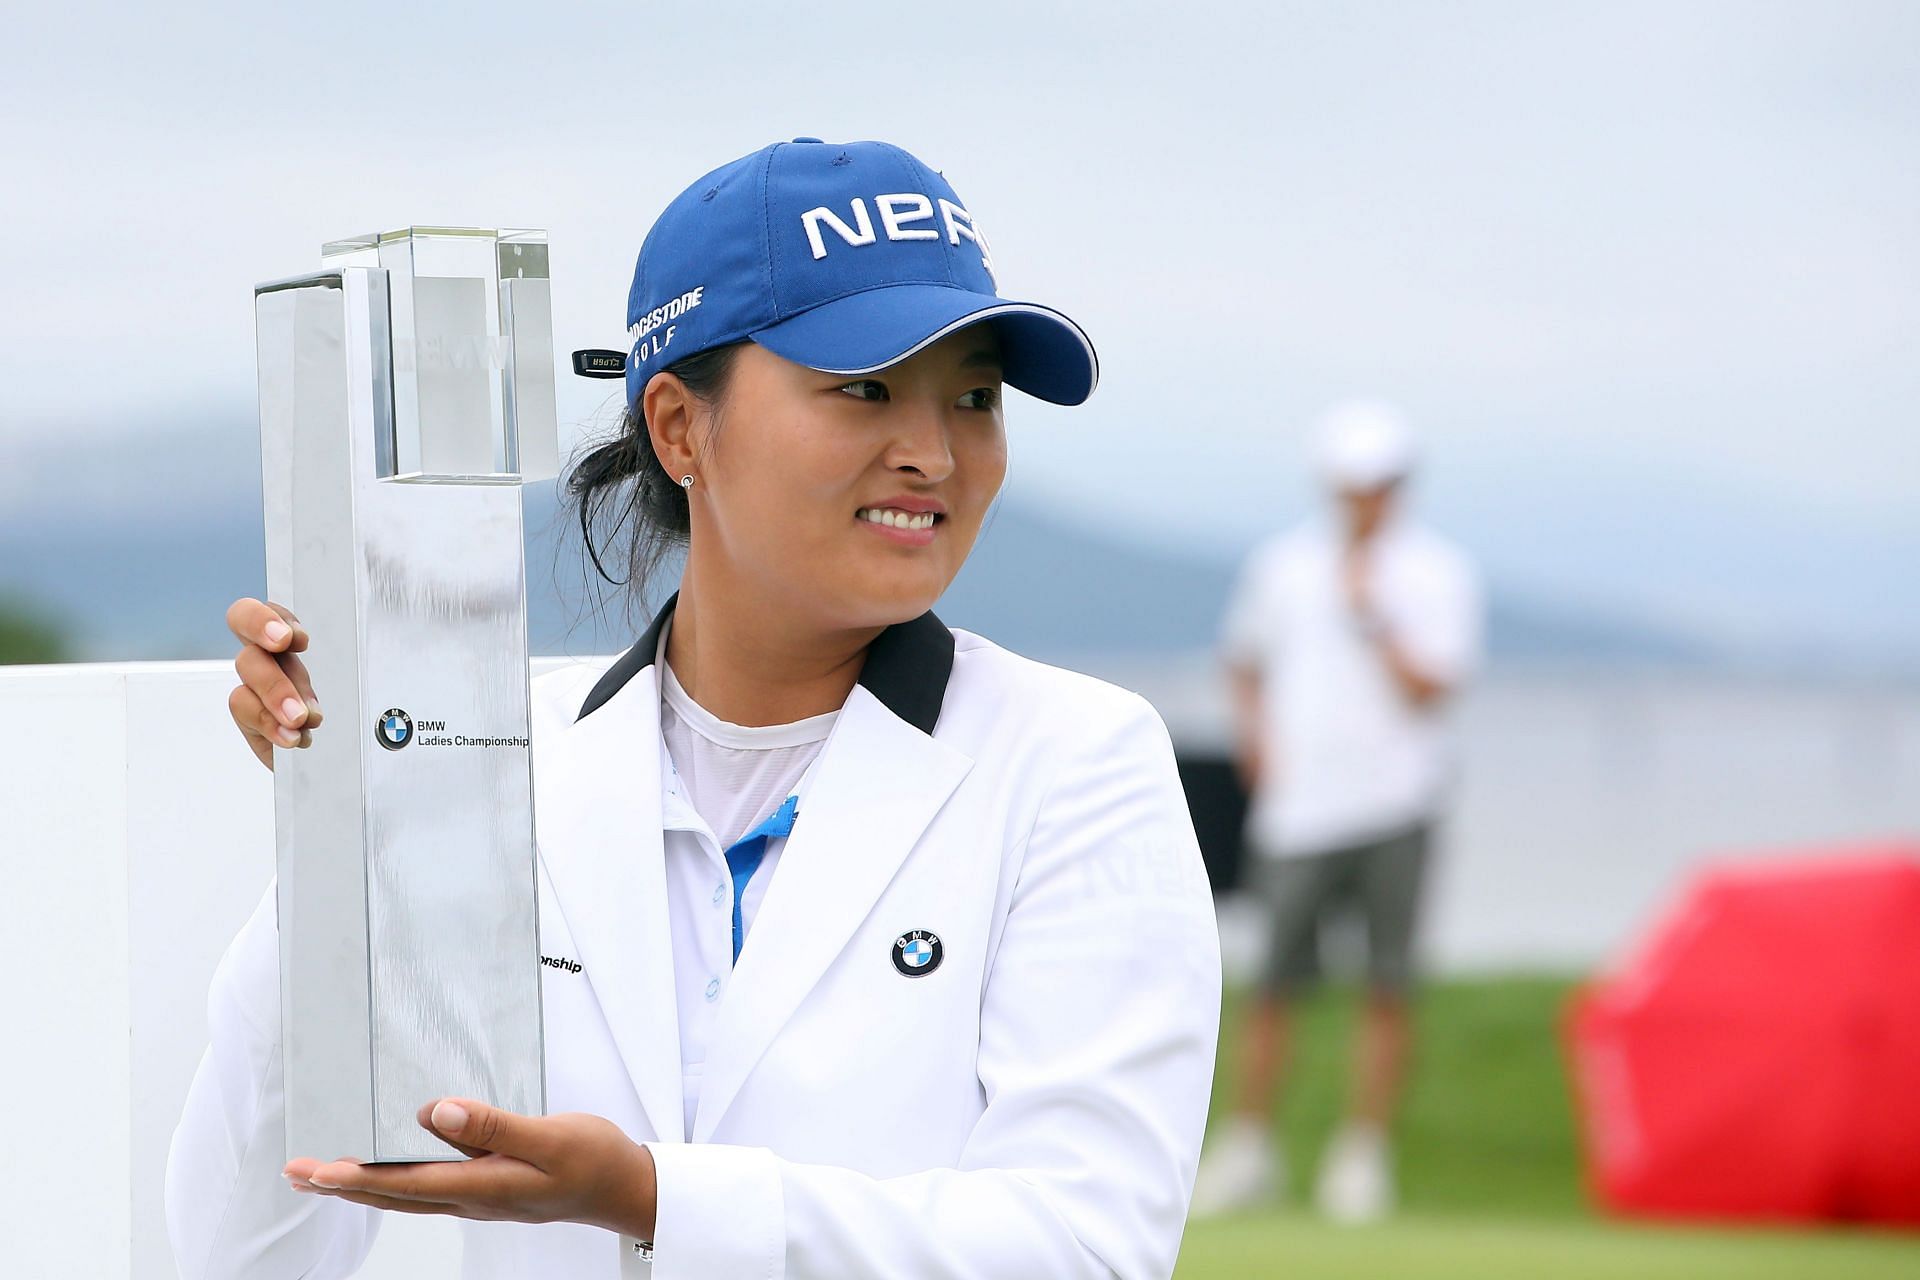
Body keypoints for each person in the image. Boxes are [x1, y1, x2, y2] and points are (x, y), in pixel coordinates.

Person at [165, 138, 1222, 1279]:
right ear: (677, 427)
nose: (932, 452)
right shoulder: (480, 766)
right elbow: (245, 1245)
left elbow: (1083, 1248)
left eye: (973, 396)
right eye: (863, 387)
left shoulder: (1075, 761)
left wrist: (656, 1195)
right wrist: (338, 849)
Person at [1190, 401, 1483, 1223]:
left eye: (1381, 486)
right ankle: (1248, 1148)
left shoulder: (1438, 573)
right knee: (1274, 984)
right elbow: (1244, 663)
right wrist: (1258, 748)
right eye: (1355, 486)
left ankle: (1361, 1158)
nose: (1368, 501)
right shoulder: (1281, 566)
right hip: (1298, 810)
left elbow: (1434, 690)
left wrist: (1372, 616)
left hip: (1400, 802)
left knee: (1388, 985)